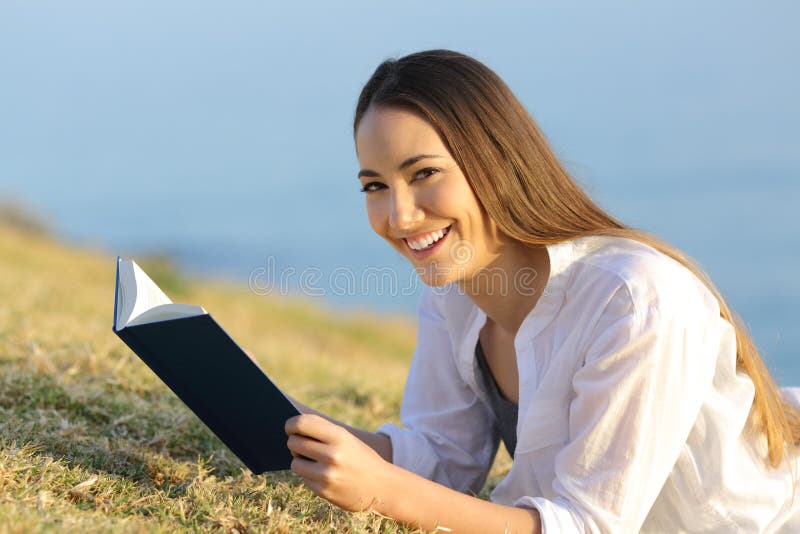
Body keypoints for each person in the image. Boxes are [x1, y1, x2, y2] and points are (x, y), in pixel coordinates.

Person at [283, 49, 800, 533]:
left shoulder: (636, 299)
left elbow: (586, 525)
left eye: (424, 173)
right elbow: (444, 455)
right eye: (375, 185)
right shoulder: (454, 289)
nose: (399, 216)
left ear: (497, 162)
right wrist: (302, 429)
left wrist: (381, 491)